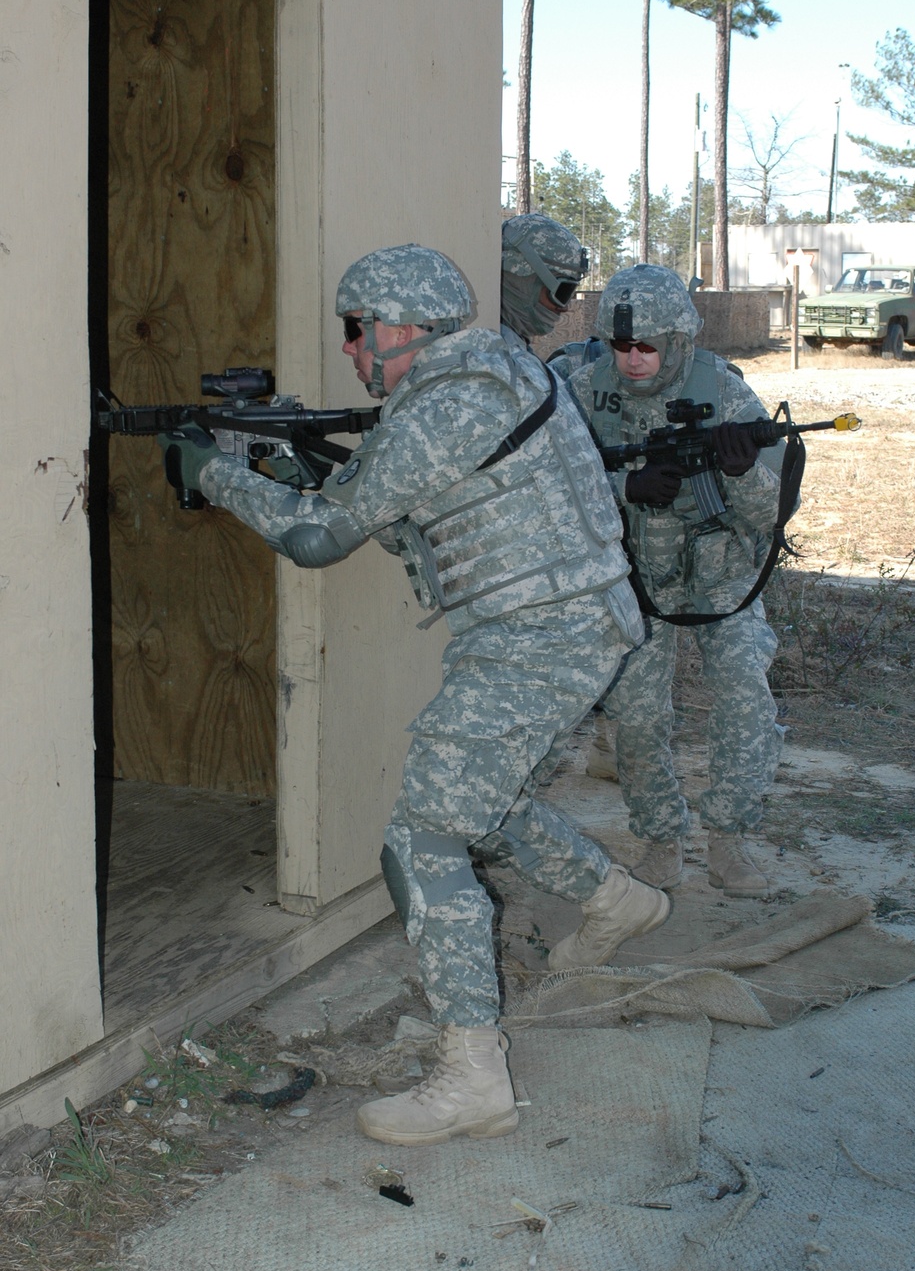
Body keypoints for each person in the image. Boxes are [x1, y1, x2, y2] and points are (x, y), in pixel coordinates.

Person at [158, 243, 671, 1147]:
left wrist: (212, 472)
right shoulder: (489, 369)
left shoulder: (444, 407)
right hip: (579, 622)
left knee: (421, 839)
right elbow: (386, 494)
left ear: (399, 329)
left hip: (537, 638)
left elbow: (319, 538)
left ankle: (472, 1078)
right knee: (486, 804)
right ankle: (619, 901)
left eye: (356, 332)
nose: (352, 351)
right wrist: (289, 470)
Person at [556, 264, 786, 898]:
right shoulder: (577, 393)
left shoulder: (728, 396)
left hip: (722, 575)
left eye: (647, 347)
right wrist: (623, 487)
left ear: (679, 341)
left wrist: (742, 475)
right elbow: (545, 493)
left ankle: (730, 842)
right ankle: (660, 840)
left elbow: (773, 515)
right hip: (636, 579)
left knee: (743, 697)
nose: (632, 361)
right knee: (635, 716)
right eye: (620, 347)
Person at [499, 212, 593, 356]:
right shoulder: (486, 353)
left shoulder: (513, 350)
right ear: (522, 279)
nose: (564, 307)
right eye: (563, 291)